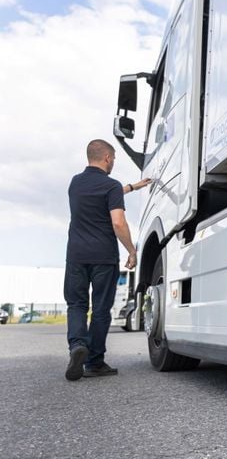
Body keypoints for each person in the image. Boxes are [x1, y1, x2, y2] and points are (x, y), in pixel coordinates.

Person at [64, 139, 151, 381]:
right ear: (107, 158)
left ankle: (77, 346)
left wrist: (133, 187)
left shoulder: (76, 183)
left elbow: (102, 194)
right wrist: (132, 251)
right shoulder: (110, 186)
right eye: (113, 159)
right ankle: (94, 361)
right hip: (103, 256)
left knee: (77, 305)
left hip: (76, 256)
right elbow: (118, 222)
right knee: (101, 309)